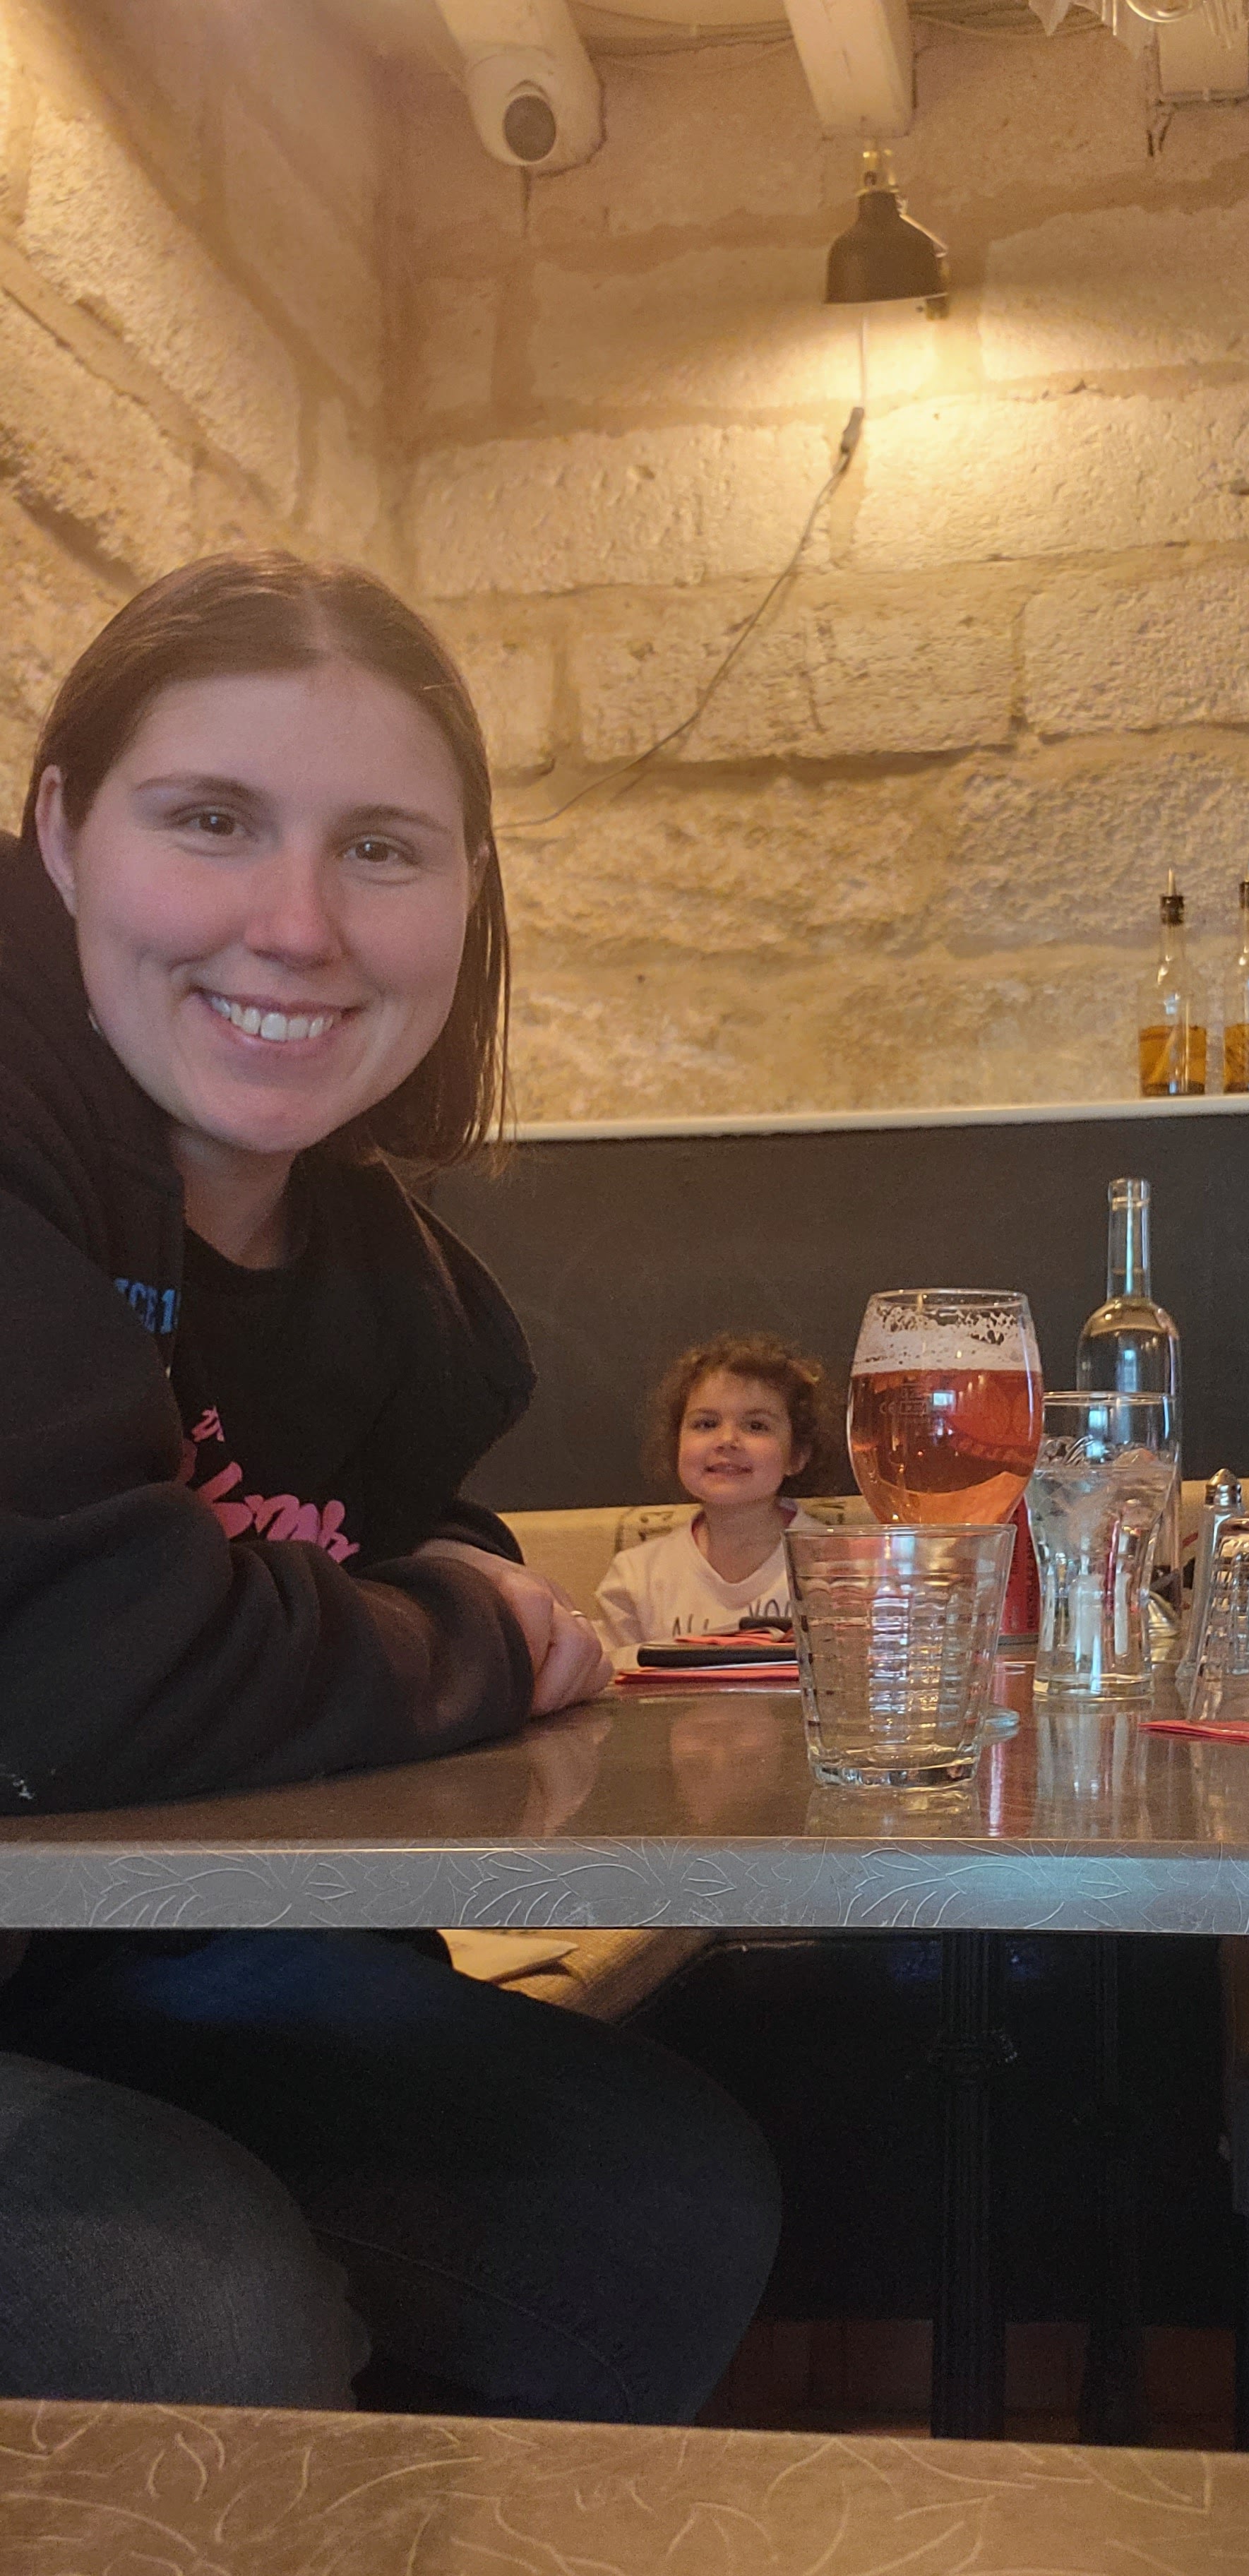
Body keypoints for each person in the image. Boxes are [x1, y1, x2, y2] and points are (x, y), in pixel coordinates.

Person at [0, 551, 778, 2417]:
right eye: (210, 820)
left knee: (654, 2197)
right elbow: (73, 1669)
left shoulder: (392, 1282)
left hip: (93, 1961)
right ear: (62, 835)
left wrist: (444, 1592)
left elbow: (404, 1537)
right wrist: (468, 1632)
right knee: (192, 2303)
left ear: (469, 895)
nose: (296, 926)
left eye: (380, 849)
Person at [595, 1332, 832, 1648]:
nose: (727, 1440)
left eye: (756, 1426)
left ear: (797, 1455)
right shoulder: (635, 1578)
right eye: (706, 1424)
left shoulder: (838, 1569)